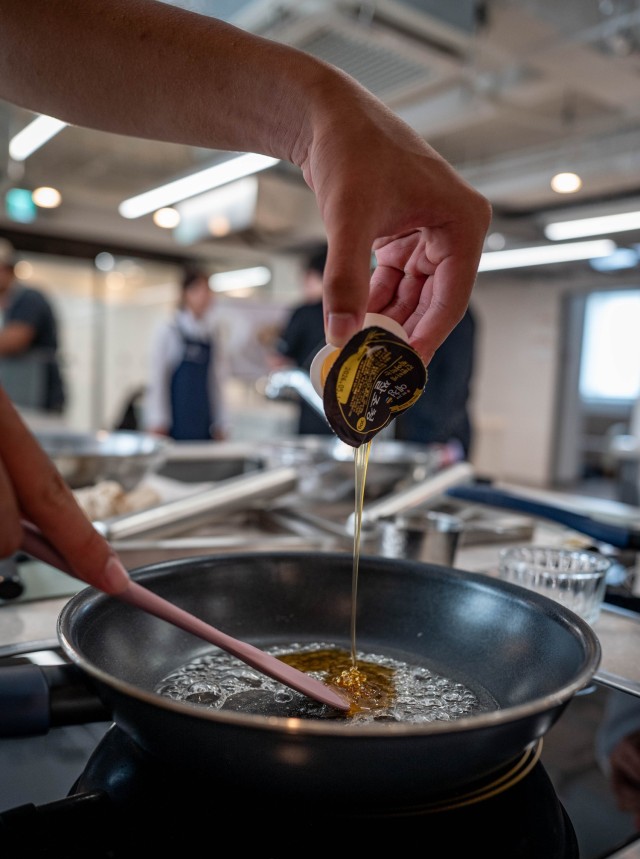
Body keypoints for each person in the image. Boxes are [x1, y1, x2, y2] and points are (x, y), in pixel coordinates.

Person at [0, 0, 491, 595]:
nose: (208, 300)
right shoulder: (171, 331)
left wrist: (316, 119)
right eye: (202, 290)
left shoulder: (214, 333)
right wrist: (318, 116)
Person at [143, 266, 229, 441]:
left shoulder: (212, 333)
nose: (204, 296)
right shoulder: (169, 329)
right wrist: (157, 421)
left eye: (207, 290)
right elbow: (158, 378)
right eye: (198, 289)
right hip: (175, 420)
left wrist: (222, 422)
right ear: (185, 293)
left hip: (203, 420)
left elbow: (216, 381)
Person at [394, 304, 477, 459]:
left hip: (439, 439)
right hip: (410, 435)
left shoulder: (454, 313)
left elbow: (453, 384)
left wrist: (439, 438)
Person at [270, 246, 334, 436]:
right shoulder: (358, 313)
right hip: (353, 415)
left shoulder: (303, 313)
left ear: (313, 276)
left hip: (314, 414)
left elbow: (277, 360)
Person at [0, 238, 65, 413]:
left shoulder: (29, 299)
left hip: (38, 395)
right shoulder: (8, 304)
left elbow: (14, 341)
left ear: (8, 270)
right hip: (18, 394)